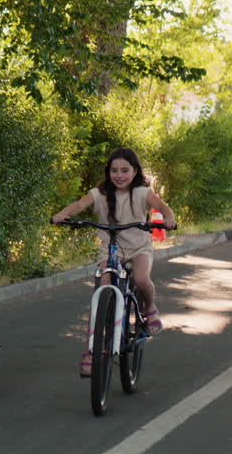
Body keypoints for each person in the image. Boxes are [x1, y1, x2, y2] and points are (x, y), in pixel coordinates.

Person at [50, 147, 176, 376]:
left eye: (125, 170)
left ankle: (149, 308)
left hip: (139, 248)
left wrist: (168, 217)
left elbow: (161, 205)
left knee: (141, 278)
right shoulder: (99, 194)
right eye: (114, 170)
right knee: (101, 290)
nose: (119, 175)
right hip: (111, 250)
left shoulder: (142, 192)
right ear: (108, 172)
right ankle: (92, 349)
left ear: (135, 171)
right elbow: (79, 205)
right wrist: (63, 214)